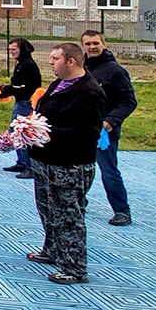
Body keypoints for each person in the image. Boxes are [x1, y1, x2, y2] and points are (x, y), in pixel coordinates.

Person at [26, 43, 107, 285]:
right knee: (48, 209)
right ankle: (52, 250)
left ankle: (75, 267)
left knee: (69, 215)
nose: (50, 63)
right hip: (45, 160)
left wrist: (51, 134)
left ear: (71, 61)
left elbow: (87, 132)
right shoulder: (57, 85)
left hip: (70, 164)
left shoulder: (90, 92)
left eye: (55, 58)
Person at [81, 30, 136, 226]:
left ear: (104, 43)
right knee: (77, 169)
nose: (92, 47)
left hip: (104, 132)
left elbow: (129, 102)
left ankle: (122, 211)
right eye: (87, 44)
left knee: (109, 171)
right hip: (81, 130)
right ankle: (79, 203)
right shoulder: (81, 68)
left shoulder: (115, 71)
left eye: (95, 43)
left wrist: (110, 121)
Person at [0, 38, 42, 178]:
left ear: (22, 50)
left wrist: (8, 90)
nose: (11, 52)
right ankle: (21, 162)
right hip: (21, 101)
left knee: (23, 133)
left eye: (14, 49)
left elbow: (25, 87)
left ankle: (30, 166)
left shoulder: (28, 65)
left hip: (26, 103)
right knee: (16, 131)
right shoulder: (21, 64)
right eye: (10, 50)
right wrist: (3, 94)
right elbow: (17, 87)